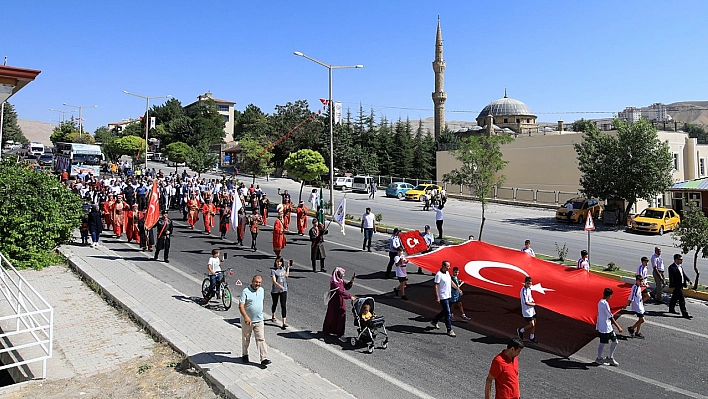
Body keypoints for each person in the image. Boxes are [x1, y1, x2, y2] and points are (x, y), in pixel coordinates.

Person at [239, 275, 271, 367]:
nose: (258, 284)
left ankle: (263, 358)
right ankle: (245, 354)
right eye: (256, 282)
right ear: (252, 281)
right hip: (247, 321)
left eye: (260, 282)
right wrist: (246, 317)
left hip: (259, 320)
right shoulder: (245, 291)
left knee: (261, 339)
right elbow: (241, 306)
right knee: (246, 339)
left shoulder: (262, 290)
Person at [322, 267, 357, 338]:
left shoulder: (340, 280)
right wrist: (350, 296)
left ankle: (340, 333)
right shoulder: (334, 283)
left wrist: (351, 281)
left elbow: (346, 287)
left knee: (341, 316)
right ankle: (326, 331)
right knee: (331, 317)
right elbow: (340, 292)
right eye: (342, 274)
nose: (343, 275)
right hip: (334, 303)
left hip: (341, 302)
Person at [595, 287, 622, 366]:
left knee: (615, 341)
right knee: (602, 343)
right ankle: (599, 358)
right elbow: (610, 316)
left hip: (608, 326)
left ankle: (610, 357)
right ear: (608, 295)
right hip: (604, 327)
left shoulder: (601, 302)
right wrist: (618, 326)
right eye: (611, 295)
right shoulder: (604, 304)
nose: (611, 297)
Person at [430, 260, 455, 337]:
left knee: (445, 311)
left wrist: (457, 288)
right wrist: (437, 297)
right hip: (443, 296)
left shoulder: (447, 273)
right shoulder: (439, 275)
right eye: (448, 266)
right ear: (443, 266)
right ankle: (449, 329)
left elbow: (450, 281)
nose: (449, 267)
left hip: (448, 295)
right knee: (448, 313)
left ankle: (434, 320)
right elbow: (436, 286)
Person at [668, 254, 693, 319]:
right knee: (681, 299)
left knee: (675, 297)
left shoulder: (680, 266)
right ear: (676, 259)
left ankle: (671, 309)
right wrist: (672, 285)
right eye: (680, 259)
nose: (682, 261)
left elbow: (683, 274)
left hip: (681, 285)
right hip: (677, 286)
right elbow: (671, 277)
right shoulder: (671, 267)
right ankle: (684, 313)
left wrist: (688, 280)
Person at [270, 257, 290, 329]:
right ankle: (273, 315)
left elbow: (286, 276)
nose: (279, 263)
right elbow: (274, 281)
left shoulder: (283, 269)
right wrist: (280, 286)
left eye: (280, 262)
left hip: (284, 290)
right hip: (275, 290)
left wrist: (288, 267)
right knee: (275, 303)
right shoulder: (273, 271)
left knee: (283, 305)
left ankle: (284, 322)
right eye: (277, 261)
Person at [517, 276, 538, 344]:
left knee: (534, 323)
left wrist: (533, 301)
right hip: (527, 310)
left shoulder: (529, 288)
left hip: (532, 309)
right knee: (531, 324)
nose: (529, 285)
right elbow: (526, 302)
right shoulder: (523, 291)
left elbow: (530, 297)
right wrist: (534, 304)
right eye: (528, 283)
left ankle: (532, 337)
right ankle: (521, 330)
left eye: (530, 283)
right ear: (525, 283)